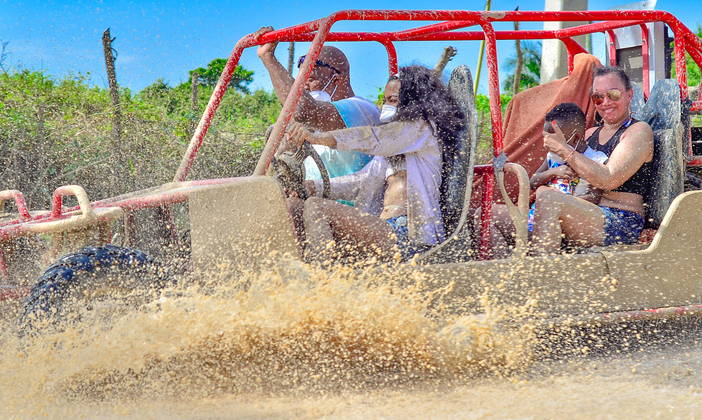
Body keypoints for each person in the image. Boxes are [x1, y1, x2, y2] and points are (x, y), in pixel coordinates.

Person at [286, 66, 464, 262]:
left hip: (410, 234)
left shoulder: (423, 129)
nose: (385, 107)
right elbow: (361, 181)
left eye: (393, 101)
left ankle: (320, 282)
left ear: (413, 102)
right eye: (385, 100)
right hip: (384, 227)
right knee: (295, 207)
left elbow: (374, 137)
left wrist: (317, 137)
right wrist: (312, 187)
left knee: (317, 208)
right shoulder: (392, 152)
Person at [532, 66, 654, 253]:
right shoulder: (588, 134)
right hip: (581, 207)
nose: (605, 102)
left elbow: (608, 179)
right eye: (598, 97)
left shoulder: (638, 132)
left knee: (549, 200)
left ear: (629, 95)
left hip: (620, 219)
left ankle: (544, 277)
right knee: (487, 216)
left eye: (613, 94)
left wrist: (563, 149)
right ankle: (505, 277)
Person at [254, 27, 380, 179]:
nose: (303, 88)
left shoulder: (360, 109)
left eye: (310, 79)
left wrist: (268, 57)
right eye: (300, 81)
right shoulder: (317, 121)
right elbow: (280, 163)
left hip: (352, 200)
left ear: (337, 79)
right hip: (316, 196)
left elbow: (304, 111)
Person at [490, 103, 608, 256]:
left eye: (553, 141)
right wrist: (553, 172)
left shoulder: (595, 160)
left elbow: (594, 196)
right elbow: (531, 182)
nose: (547, 146)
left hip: (559, 223)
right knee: (484, 213)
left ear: (576, 138)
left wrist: (562, 202)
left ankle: (541, 271)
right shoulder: (553, 157)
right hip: (535, 219)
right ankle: (504, 267)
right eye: (546, 139)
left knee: (550, 204)